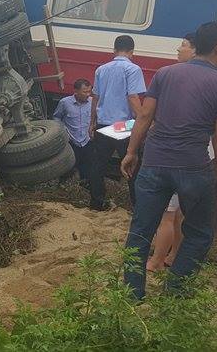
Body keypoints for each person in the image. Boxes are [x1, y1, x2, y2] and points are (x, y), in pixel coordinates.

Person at [121, 22, 217, 299]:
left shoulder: (165, 74)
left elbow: (145, 116)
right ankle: (174, 292)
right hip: (194, 168)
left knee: (141, 230)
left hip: (154, 163)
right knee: (199, 233)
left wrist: (131, 151)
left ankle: (132, 295)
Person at [147, 33, 198, 271]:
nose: (179, 49)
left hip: (173, 155)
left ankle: (156, 261)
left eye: (184, 45)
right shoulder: (213, 79)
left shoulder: (169, 76)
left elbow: (150, 115)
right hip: (195, 159)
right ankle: (173, 255)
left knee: (167, 214)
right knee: (180, 213)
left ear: (196, 50)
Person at [91, 35, 146, 210]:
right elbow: (133, 97)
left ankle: (97, 202)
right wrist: (143, 120)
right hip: (124, 125)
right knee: (131, 166)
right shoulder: (133, 69)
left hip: (103, 123)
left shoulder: (101, 69)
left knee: (98, 166)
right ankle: (137, 206)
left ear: (114, 50)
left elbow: (95, 98)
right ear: (132, 52)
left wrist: (92, 121)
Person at [53, 79, 95, 186]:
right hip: (71, 141)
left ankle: (85, 186)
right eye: (84, 92)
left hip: (87, 141)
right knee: (68, 166)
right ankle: (63, 186)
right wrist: (63, 132)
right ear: (75, 91)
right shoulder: (65, 103)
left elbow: (97, 118)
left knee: (88, 167)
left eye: (89, 91)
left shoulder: (93, 103)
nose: (87, 94)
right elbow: (57, 118)